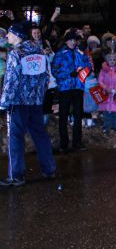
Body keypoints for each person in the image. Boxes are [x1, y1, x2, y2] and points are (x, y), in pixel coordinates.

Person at [0, 22, 56, 186]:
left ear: (17, 36)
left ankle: (16, 175)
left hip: (18, 103)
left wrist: (3, 104)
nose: (7, 37)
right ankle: (49, 169)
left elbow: (11, 81)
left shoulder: (16, 54)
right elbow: (46, 77)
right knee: (40, 135)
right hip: (35, 103)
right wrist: (38, 95)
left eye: (9, 34)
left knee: (15, 138)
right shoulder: (39, 51)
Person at [52, 29, 92, 153]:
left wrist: (83, 72)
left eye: (75, 40)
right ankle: (64, 144)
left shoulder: (80, 53)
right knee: (63, 116)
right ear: (67, 41)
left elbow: (88, 66)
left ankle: (77, 143)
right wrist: (69, 74)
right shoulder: (60, 54)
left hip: (78, 87)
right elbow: (54, 70)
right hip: (65, 88)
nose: (74, 42)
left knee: (78, 115)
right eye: (72, 40)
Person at [98, 52, 116, 133]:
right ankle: (106, 128)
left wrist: (115, 89)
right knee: (106, 114)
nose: (112, 61)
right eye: (110, 59)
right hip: (106, 95)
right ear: (107, 60)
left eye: (114, 59)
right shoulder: (103, 70)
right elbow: (100, 81)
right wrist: (106, 88)